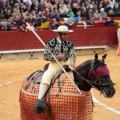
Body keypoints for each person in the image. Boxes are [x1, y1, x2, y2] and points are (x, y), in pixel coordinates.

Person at [34, 25, 76, 113]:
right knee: (46, 76)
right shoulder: (51, 42)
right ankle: (39, 100)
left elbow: (73, 54)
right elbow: (45, 56)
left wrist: (72, 61)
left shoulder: (69, 44)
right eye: (64, 34)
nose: (66, 36)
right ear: (59, 34)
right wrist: (57, 57)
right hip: (54, 65)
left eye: (67, 34)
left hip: (65, 66)